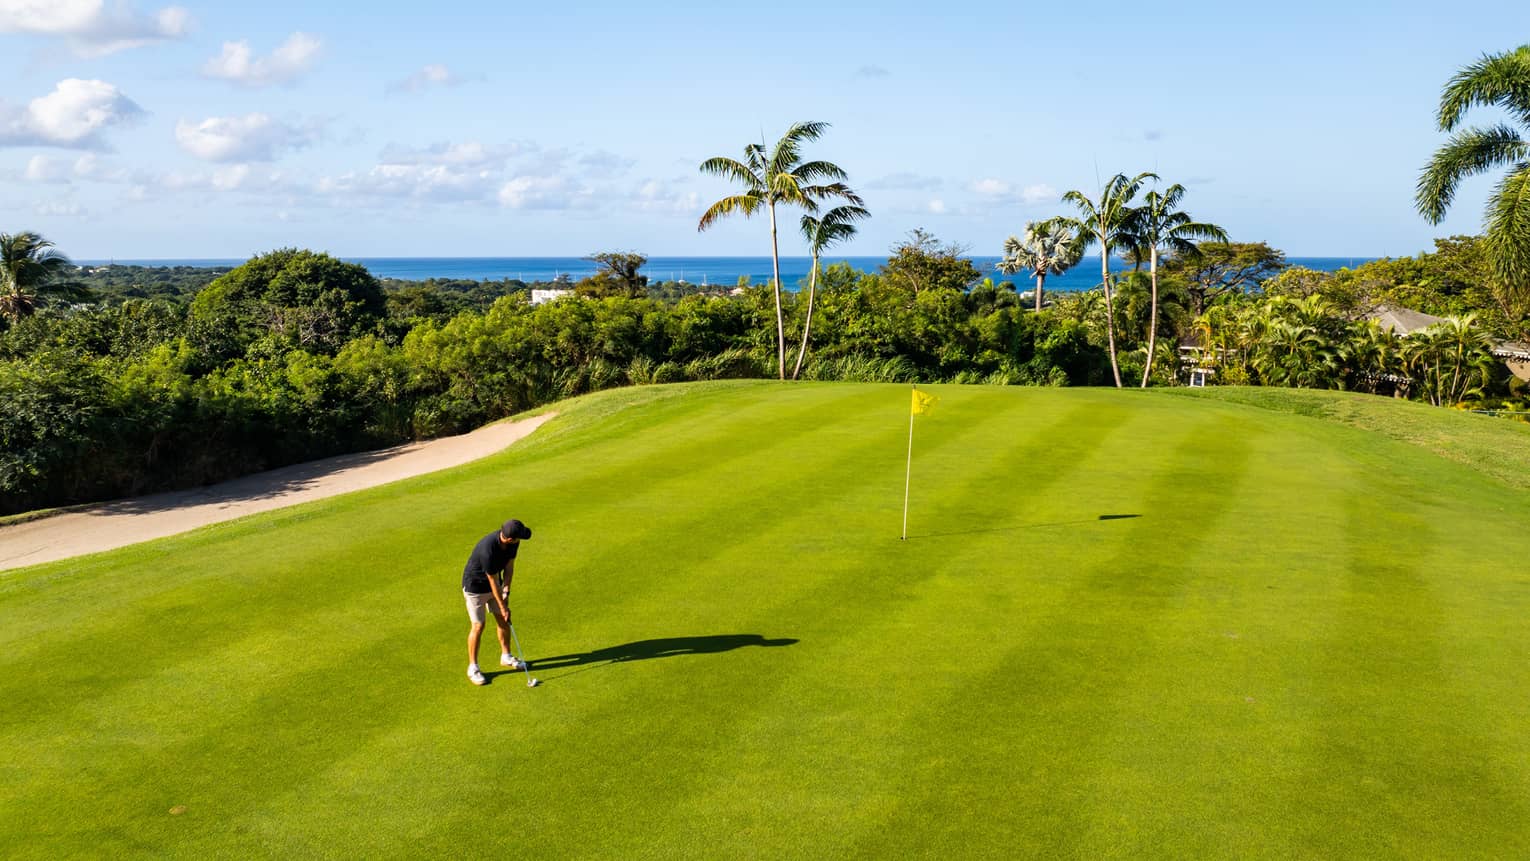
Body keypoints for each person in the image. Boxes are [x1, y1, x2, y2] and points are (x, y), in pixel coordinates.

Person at [461, 518, 532, 685]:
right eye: (518, 537)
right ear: (509, 538)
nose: (520, 540)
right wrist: (503, 606)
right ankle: (473, 668)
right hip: (475, 588)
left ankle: (506, 656)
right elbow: (492, 581)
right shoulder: (488, 550)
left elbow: (509, 567)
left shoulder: (514, 543)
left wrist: (506, 590)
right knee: (478, 626)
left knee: (503, 620)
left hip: (495, 586)